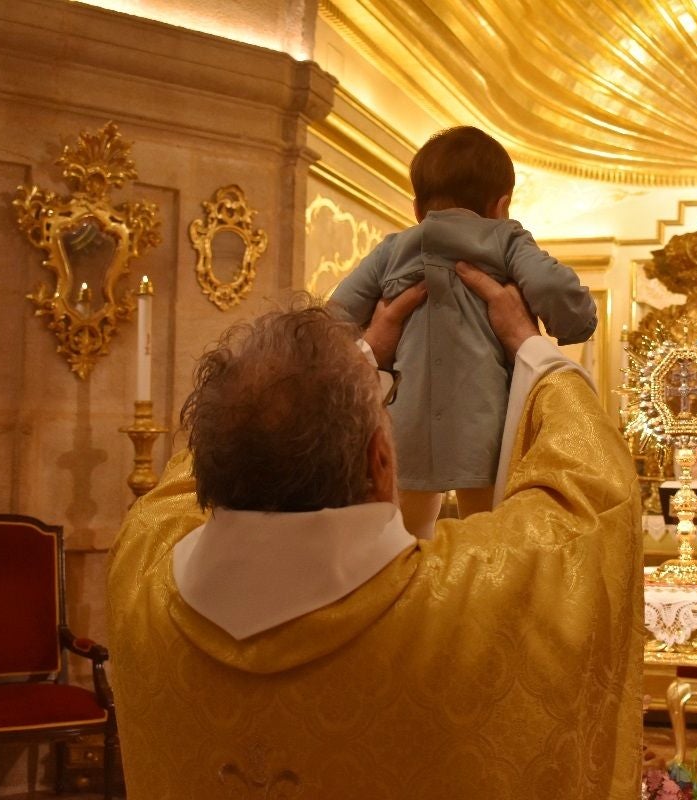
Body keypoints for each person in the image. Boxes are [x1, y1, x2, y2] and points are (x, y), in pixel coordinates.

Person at [106, 264, 643, 800]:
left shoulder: (141, 569)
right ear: (381, 460)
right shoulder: (478, 596)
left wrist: (356, 359)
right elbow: (591, 498)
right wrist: (535, 352)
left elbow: (212, 454)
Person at [331, 126, 597, 538]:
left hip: (407, 423)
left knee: (403, 543)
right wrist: (576, 323)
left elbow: (334, 316)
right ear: (501, 205)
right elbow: (551, 288)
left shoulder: (393, 248)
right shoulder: (505, 238)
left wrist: (372, 340)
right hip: (485, 422)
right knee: (490, 540)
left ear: (417, 207)